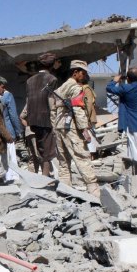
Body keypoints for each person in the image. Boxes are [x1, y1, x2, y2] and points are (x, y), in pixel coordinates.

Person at [52, 60, 100, 197]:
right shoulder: (75, 88)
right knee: (82, 157)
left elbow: (52, 109)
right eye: (83, 73)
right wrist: (84, 129)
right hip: (71, 127)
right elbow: (78, 109)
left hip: (59, 126)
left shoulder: (60, 88)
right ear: (75, 72)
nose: (84, 76)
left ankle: (65, 190)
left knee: (63, 160)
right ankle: (94, 191)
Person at [20, 53, 58, 177]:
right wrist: (54, 122)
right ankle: (45, 178)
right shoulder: (52, 79)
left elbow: (28, 100)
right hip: (46, 119)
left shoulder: (30, 80)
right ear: (52, 65)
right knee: (47, 151)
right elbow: (52, 101)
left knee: (40, 150)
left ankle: (43, 177)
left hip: (33, 120)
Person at [0, 80, 23, 182]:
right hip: (8, 129)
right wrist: (18, 131)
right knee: (10, 155)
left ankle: (2, 177)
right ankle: (12, 177)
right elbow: (13, 115)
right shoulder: (7, 95)